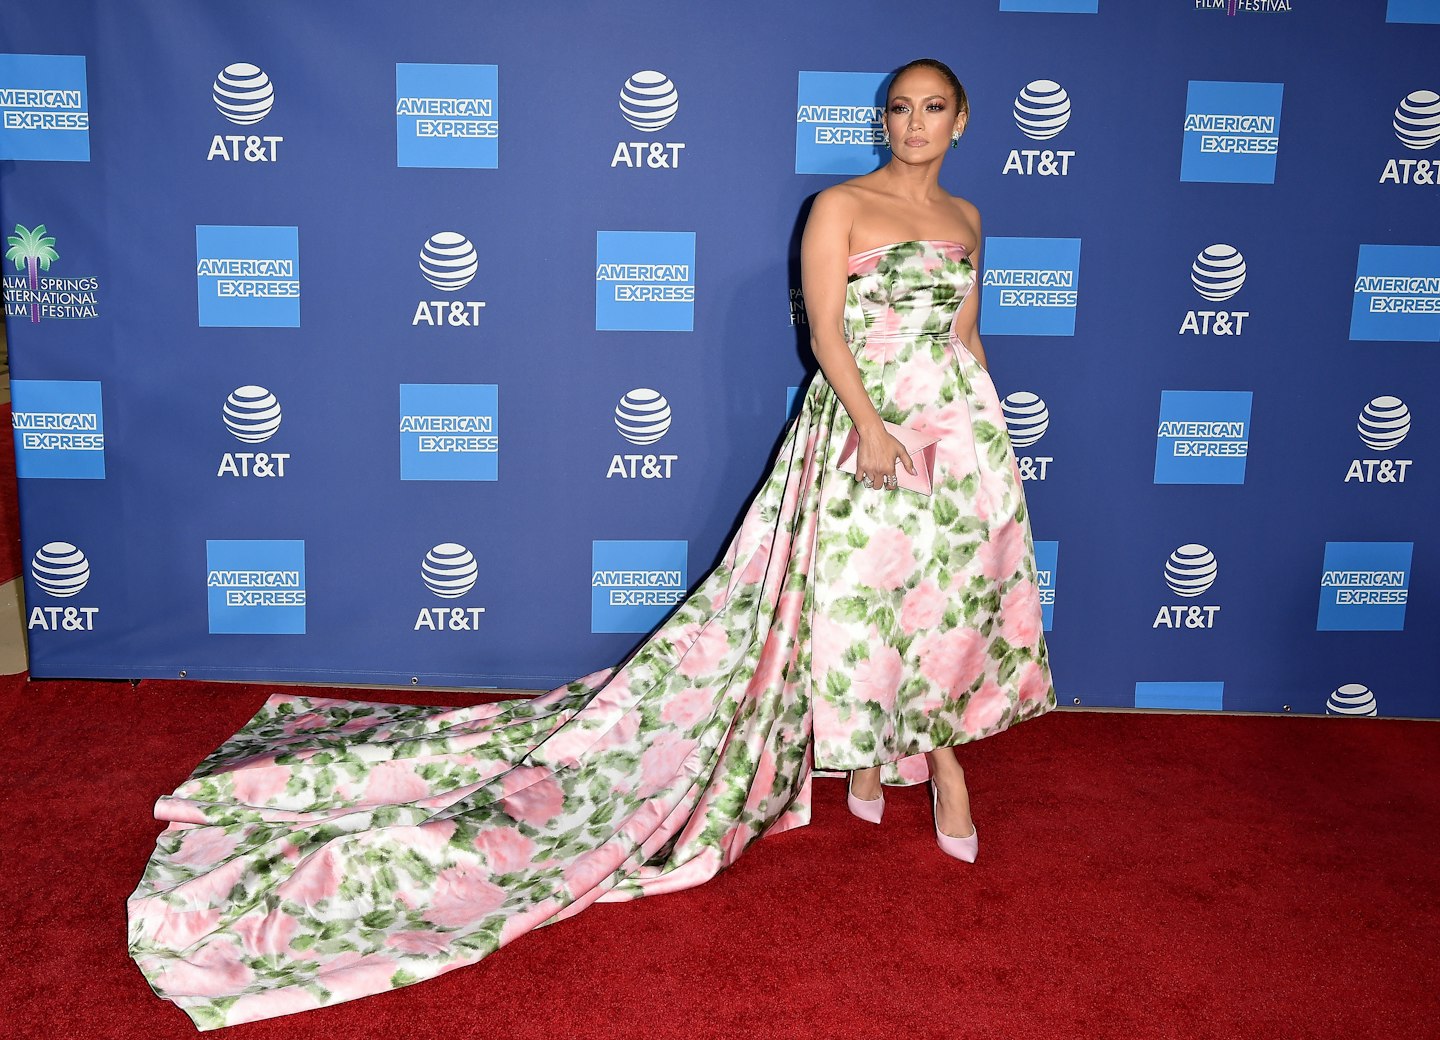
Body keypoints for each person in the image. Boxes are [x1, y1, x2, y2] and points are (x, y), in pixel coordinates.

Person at [126, 57, 1056, 1031]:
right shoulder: (840, 206)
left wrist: (988, 438)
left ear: (962, 119)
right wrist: (869, 426)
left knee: (937, 596)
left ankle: (896, 759)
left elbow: (966, 334)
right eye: (900, 108)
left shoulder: (968, 218)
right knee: (861, 601)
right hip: (864, 427)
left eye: (933, 108)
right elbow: (826, 332)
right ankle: (911, 761)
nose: (915, 123)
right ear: (884, 120)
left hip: (955, 431)